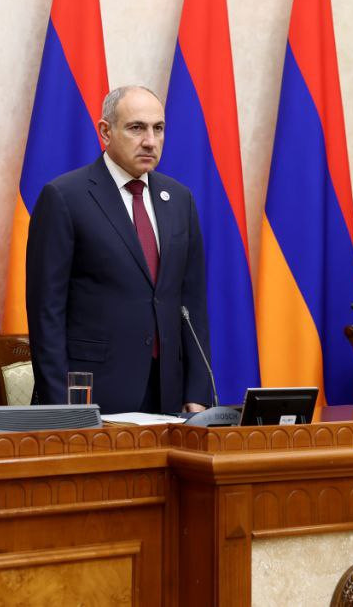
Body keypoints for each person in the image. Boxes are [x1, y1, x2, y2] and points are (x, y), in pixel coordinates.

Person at [26, 85, 213, 414]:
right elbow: (46, 314)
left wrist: (197, 391)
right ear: (105, 132)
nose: (150, 141)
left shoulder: (179, 199)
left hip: (168, 392)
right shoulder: (65, 197)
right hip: (95, 393)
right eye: (136, 128)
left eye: (158, 128)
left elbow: (191, 302)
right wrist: (61, 409)